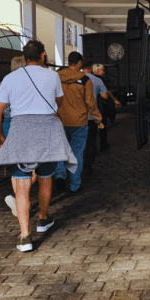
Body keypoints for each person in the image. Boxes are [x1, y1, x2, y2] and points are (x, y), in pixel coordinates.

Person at [0, 39, 77, 253]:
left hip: (21, 132)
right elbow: (59, 102)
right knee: (45, 178)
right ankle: (43, 219)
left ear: (25, 58)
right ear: (43, 56)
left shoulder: (10, 78)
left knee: (22, 185)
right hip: (48, 132)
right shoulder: (52, 76)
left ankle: (25, 236)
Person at [55, 51, 103, 194]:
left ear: (69, 62)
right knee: (76, 153)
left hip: (60, 120)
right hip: (79, 122)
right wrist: (98, 119)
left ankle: (59, 176)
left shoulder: (57, 77)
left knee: (61, 151)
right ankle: (75, 185)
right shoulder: (85, 79)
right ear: (80, 62)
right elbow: (90, 103)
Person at [0, 55, 28, 218]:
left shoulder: (6, 82)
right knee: (32, 166)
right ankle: (17, 199)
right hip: (23, 124)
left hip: (7, 124)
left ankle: (18, 201)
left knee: (17, 166)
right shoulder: (29, 83)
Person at [81, 58, 107, 174]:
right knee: (91, 142)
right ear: (91, 67)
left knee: (77, 142)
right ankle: (88, 165)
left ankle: (76, 166)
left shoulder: (76, 78)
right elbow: (105, 96)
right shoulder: (97, 80)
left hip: (77, 116)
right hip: (91, 116)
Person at [93, 63, 120, 151]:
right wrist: (114, 100)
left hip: (92, 106)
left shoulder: (89, 78)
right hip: (100, 105)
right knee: (102, 125)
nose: (104, 72)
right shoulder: (100, 79)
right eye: (102, 70)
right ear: (98, 71)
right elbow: (106, 92)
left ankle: (93, 146)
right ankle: (103, 144)